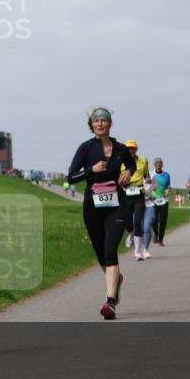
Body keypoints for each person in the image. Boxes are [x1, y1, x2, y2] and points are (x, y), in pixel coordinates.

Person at [67, 107, 135, 320]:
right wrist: (91, 170)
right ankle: (116, 280)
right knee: (101, 256)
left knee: (109, 250)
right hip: (93, 206)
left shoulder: (121, 149)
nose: (100, 123)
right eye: (96, 121)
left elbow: (132, 165)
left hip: (116, 204)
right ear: (91, 125)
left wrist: (127, 172)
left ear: (109, 123)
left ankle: (110, 302)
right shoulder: (85, 149)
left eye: (103, 120)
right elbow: (71, 177)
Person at [120, 140, 150, 261]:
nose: (130, 150)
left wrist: (148, 182)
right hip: (126, 194)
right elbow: (117, 177)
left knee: (137, 222)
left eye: (133, 148)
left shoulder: (143, 161)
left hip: (139, 194)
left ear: (136, 149)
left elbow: (147, 176)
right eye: (128, 148)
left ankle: (137, 252)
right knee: (127, 222)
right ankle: (131, 234)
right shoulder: (121, 162)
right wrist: (122, 181)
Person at [151, 157, 171, 246]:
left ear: (162, 165)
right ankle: (156, 233)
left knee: (163, 221)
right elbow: (147, 186)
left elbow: (168, 186)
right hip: (153, 200)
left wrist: (168, 190)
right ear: (154, 165)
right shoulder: (151, 175)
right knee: (153, 220)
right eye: (157, 164)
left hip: (164, 200)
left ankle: (161, 240)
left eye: (160, 164)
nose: (158, 165)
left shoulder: (167, 175)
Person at [140, 177, 156, 259]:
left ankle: (146, 250)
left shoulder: (151, 176)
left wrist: (152, 182)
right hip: (137, 206)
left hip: (149, 205)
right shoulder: (132, 175)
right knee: (141, 229)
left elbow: (155, 187)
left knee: (146, 227)